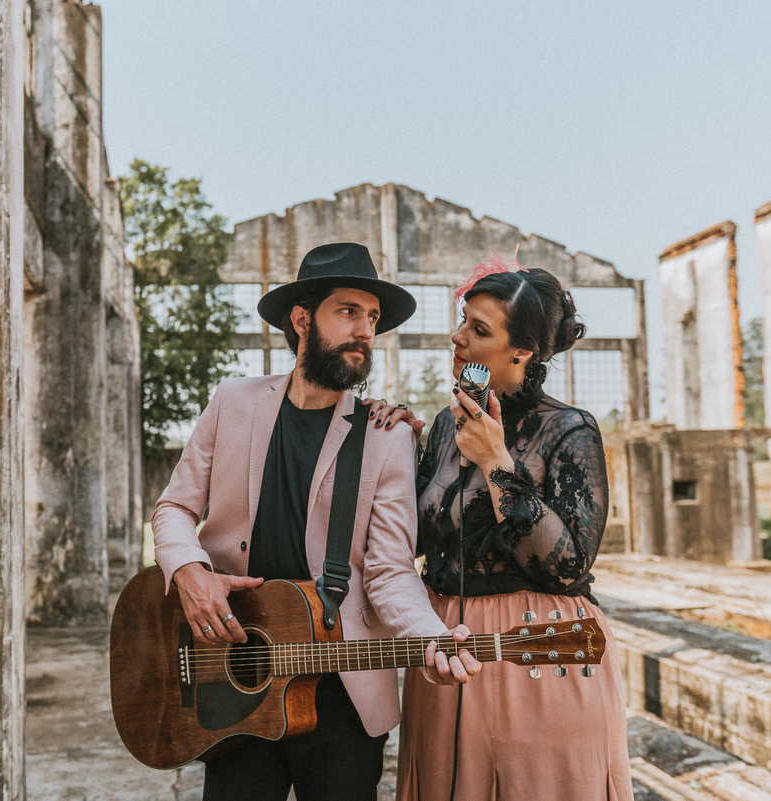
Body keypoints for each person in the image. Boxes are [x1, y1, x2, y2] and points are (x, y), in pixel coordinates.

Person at [151, 242, 481, 801]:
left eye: (372, 317)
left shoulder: (386, 435)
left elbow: (390, 570)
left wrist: (431, 638)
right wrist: (189, 572)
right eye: (348, 311)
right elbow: (174, 508)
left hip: (341, 691)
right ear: (302, 320)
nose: (364, 330)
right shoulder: (232, 401)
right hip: (235, 668)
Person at [367, 254, 633, 800]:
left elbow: (569, 566)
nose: (458, 337)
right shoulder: (446, 427)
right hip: (444, 650)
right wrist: (390, 447)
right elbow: (410, 539)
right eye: (463, 321)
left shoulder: (569, 429)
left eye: (479, 329)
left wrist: (497, 463)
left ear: (522, 351)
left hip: (538, 653)